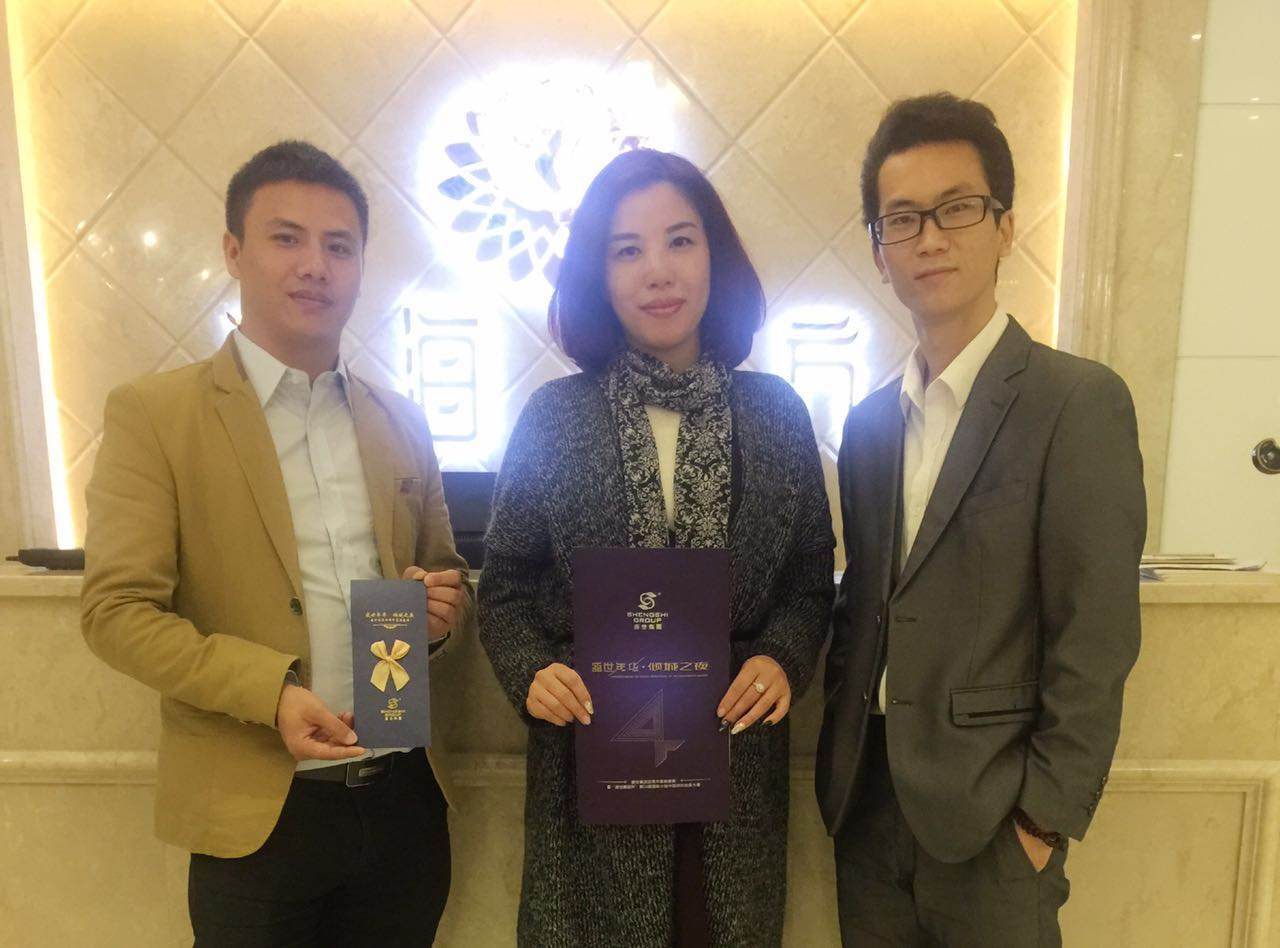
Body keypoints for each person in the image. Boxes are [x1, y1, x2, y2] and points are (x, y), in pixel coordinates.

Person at [80, 140, 470, 945]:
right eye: (286, 238)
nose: (315, 266)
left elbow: (443, 577)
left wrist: (438, 615)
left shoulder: (400, 421)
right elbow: (116, 612)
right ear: (234, 251)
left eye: (339, 246)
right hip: (256, 813)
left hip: (401, 803)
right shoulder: (156, 415)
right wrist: (271, 692)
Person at [477, 147, 834, 947]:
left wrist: (782, 657)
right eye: (627, 250)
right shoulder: (554, 418)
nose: (658, 271)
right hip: (592, 777)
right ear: (600, 277)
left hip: (734, 771)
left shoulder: (776, 414)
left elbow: (810, 581)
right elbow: (503, 589)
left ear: (715, 257)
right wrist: (531, 671)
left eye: (680, 240)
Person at [815, 93, 1147, 947]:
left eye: (956, 208)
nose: (929, 238)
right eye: (901, 219)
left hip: (996, 821)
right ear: (879, 251)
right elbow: (867, 605)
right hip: (869, 807)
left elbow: (1096, 631)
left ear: (1004, 226)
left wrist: (1043, 817)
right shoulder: (869, 426)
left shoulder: (1076, 402)